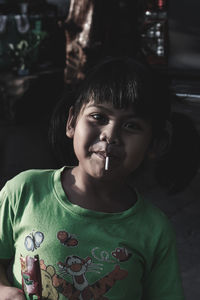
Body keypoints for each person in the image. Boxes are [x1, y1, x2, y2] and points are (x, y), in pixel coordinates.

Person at [0, 57, 188, 299]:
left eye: (131, 126)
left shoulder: (154, 230)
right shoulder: (25, 191)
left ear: (154, 144)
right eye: (99, 117)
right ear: (71, 122)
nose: (110, 135)